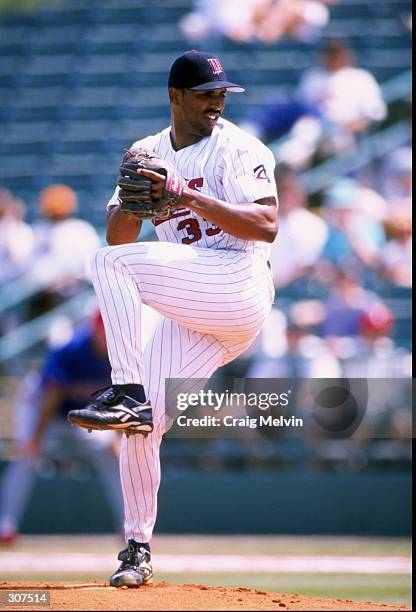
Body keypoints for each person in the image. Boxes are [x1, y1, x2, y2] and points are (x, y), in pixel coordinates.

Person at [67, 50, 278, 587]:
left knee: (108, 265)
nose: (217, 101)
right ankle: (136, 549)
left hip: (238, 282)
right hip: (192, 304)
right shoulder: (146, 151)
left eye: (222, 92)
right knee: (142, 425)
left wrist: (183, 193)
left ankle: (124, 387)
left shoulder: (238, 146)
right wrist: (134, 208)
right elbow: (119, 233)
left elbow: (268, 224)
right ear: (175, 95)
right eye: (207, 92)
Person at [0, 312, 124, 544]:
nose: (109, 338)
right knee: (26, 456)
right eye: (105, 333)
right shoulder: (72, 348)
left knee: (113, 456)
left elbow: (118, 399)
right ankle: (5, 526)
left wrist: (115, 437)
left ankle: (131, 529)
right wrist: (35, 439)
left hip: (81, 411)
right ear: (95, 330)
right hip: (40, 407)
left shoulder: (122, 352)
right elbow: (51, 395)